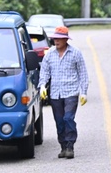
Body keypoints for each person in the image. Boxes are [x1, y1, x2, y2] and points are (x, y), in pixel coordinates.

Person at [38, 26, 89, 159]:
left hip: (71, 92)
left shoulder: (75, 53)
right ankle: (63, 146)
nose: (56, 41)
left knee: (68, 118)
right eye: (55, 38)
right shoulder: (49, 54)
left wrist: (83, 92)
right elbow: (44, 72)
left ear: (66, 39)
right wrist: (42, 85)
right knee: (59, 121)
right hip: (55, 93)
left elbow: (82, 73)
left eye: (59, 38)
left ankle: (70, 146)